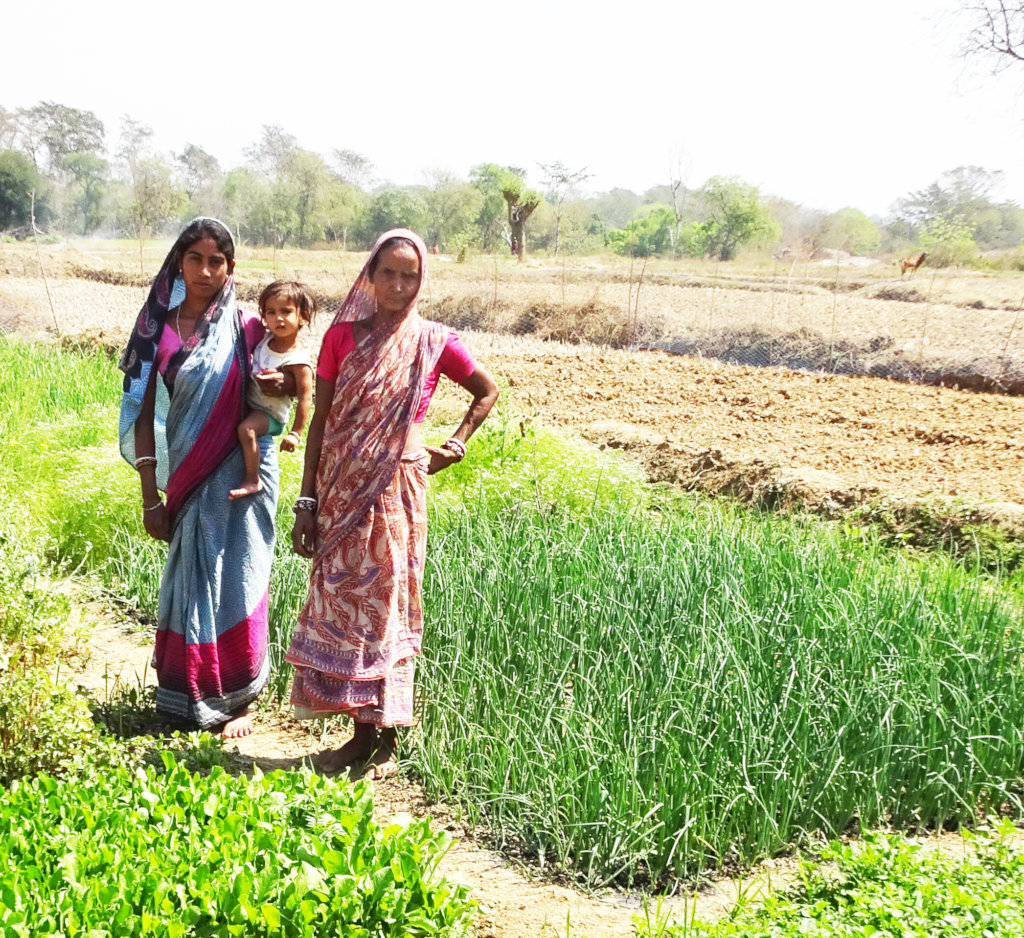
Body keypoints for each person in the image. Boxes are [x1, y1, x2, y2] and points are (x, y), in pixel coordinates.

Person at [286, 228, 499, 779]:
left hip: (398, 489)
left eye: (411, 275)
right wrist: (306, 499)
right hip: (338, 488)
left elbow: (486, 390)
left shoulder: (434, 340)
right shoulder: (341, 338)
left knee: (387, 604)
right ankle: (360, 731)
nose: (399, 284)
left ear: (421, 279)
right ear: (371, 275)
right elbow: (323, 424)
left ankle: (383, 739)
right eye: (390, 273)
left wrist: (456, 444)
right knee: (343, 602)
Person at [119, 217, 291, 738]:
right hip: (188, 480)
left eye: (216, 261)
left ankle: (240, 697)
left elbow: (292, 377)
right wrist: (151, 496)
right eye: (195, 259)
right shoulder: (157, 331)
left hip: (243, 473)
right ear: (179, 263)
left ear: (230, 268)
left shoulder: (249, 327)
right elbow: (144, 414)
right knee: (191, 578)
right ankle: (185, 691)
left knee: (238, 578)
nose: (205, 269)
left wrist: (285, 381)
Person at [229, 280, 315, 500]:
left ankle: (253, 479)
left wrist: (296, 433)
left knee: (246, 430)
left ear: (303, 316)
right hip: (253, 403)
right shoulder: (266, 339)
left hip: (270, 414)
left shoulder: (298, 360)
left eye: (286, 311)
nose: (278, 318)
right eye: (271, 312)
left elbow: (306, 398)